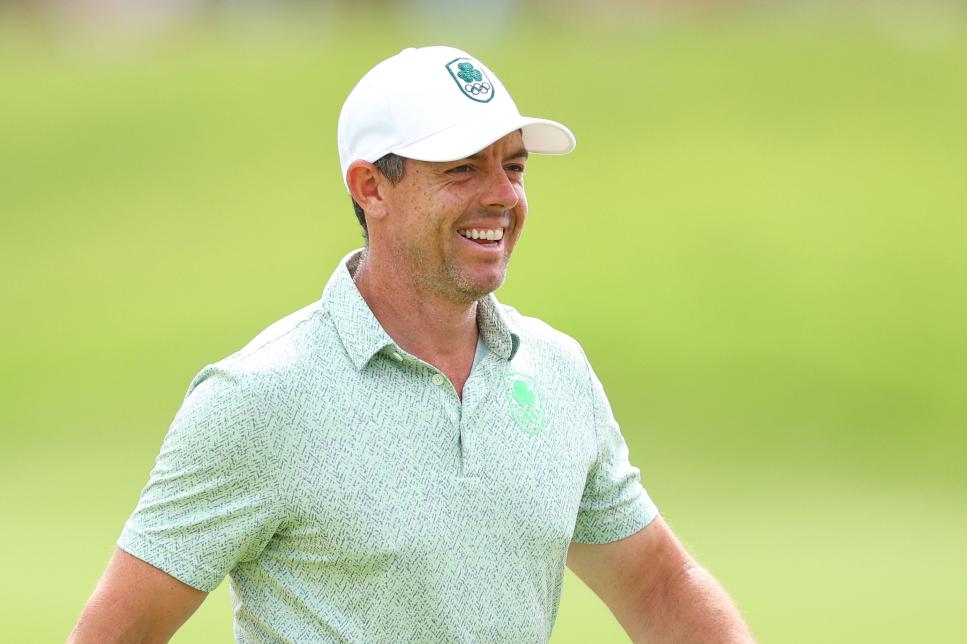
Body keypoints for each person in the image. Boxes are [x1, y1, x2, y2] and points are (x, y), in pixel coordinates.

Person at [69, 46, 754, 643]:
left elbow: (659, 588)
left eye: (513, 168)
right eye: (461, 170)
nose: (501, 197)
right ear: (371, 187)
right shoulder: (259, 398)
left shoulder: (555, 372)